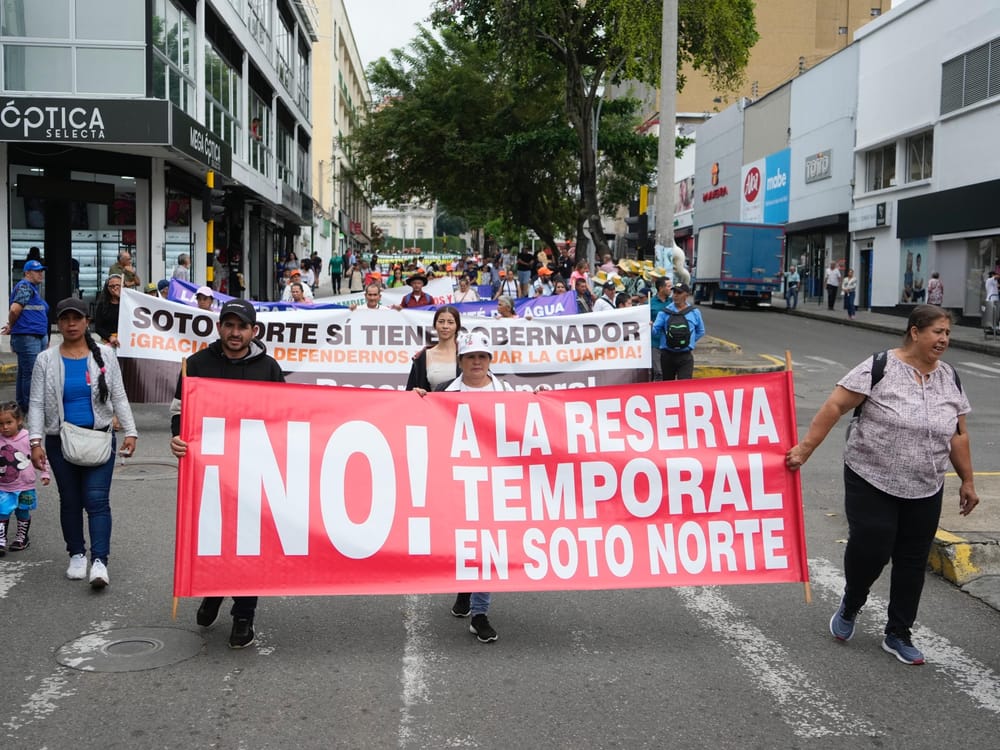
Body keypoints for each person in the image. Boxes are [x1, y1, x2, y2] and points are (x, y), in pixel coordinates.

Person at [786, 305, 979, 666]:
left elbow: (958, 435)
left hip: (925, 484)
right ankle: (852, 601)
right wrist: (805, 448)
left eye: (948, 333)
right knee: (872, 544)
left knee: (911, 559)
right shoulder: (881, 367)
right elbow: (835, 406)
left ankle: (898, 633)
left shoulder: (949, 377)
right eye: (937, 332)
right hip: (870, 476)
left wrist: (967, 480)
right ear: (914, 332)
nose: (944, 339)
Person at [169, 299, 285, 649]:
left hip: (253, 471)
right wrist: (177, 436)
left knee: (249, 544)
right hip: (208, 473)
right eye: (229, 325)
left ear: (254, 331)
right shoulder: (196, 364)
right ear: (219, 327)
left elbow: (283, 418)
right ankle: (213, 591)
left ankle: (243, 615)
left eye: (242, 326)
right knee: (213, 538)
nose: (235, 333)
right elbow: (179, 412)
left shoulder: (268, 368)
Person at [28, 297, 138, 588]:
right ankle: (76, 553)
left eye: (77, 318)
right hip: (59, 441)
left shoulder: (104, 355)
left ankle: (100, 561)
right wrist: (35, 441)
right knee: (71, 500)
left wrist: (130, 431)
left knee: (97, 500)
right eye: (65, 319)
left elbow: (119, 395)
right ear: (59, 323)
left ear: (87, 321)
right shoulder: (45, 359)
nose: (71, 324)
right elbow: (36, 403)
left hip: (100, 438)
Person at [418, 331, 513, 643]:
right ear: (460, 361)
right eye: (471, 357)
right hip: (458, 479)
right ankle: (465, 588)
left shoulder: (507, 392)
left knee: (487, 541)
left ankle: (479, 613)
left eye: (482, 357)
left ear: (489, 361)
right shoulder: (446, 392)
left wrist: (540, 398)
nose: (477, 362)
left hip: (493, 481)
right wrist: (419, 402)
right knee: (462, 539)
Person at [0, 401, 50, 555]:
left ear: (19, 420)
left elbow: (41, 457)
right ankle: (1, 540)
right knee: (2, 512)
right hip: (4, 486)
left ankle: (22, 537)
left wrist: (45, 473)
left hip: (25, 485)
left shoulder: (28, 438)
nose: (5, 427)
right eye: (1, 424)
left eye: (9, 422)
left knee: (23, 511)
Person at [2, 259, 49, 415]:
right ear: (27, 273)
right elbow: (15, 310)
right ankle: (31, 408)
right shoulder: (25, 287)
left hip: (34, 335)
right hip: (28, 336)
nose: (41, 273)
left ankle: (22, 406)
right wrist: (12, 325)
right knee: (32, 374)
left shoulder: (32, 289)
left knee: (25, 372)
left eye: (41, 271)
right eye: (37, 271)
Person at [652, 282, 705, 381]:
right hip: (667, 355)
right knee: (667, 387)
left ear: (686, 295)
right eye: (674, 292)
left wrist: (688, 341)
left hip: (685, 356)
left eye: (679, 293)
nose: (675, 295)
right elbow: (655, 331)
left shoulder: (694, 312)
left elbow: (701, 331)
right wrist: (650, 326)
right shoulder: (664, 312)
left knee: (685, 387)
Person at [405, 306, 461, 395]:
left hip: (463, 407)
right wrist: (415, 392)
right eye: (441, 322)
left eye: (450, 322)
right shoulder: (422, 357)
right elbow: (409, 392)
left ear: (457, 326)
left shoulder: (467, 354)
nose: (445, 326)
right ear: (435, 325)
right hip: (433, 408)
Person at [648, 277, 673, 381]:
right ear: (661, 288)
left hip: (670, 343)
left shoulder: (673, 303)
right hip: (655, 343)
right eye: (668, 286)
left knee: (668, 372)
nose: (671, 289)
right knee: (658, 372)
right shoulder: (650, 304)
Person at [93, 274, 124, 348]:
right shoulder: (102, 305)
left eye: (118, 285)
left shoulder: (127, 302)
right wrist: (110, 337)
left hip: (126, 340)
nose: (115, 288)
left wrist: (121, 297)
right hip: (108, 342)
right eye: (111, 286)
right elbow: (98, 327)